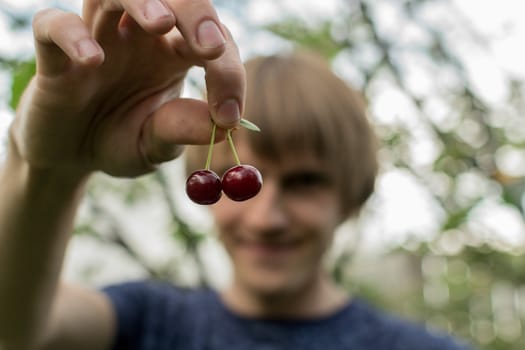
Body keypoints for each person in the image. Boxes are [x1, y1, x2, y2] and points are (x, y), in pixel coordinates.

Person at [0, 1, 473, 349]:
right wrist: (47, 172)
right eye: (230, 178)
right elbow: (15, 333)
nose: (266, 218)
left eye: (305, 181)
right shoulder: (145, 323)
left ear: (354, 193)